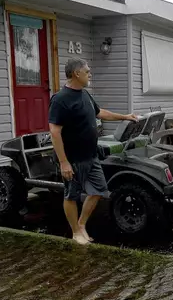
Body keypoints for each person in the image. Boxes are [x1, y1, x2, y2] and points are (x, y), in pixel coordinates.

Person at [48, 58, 138, 245]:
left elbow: (100, 112)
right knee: (71, 195)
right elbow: (54, 132)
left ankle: (82, 224)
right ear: (76, 74)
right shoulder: (60, 99)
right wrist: (63, 162)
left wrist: (125, 117)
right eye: (87, 71)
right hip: (72, 159)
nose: (90, 74)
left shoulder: (85, 95)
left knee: (98, 190)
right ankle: (75, 232)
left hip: (91, 155)